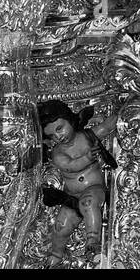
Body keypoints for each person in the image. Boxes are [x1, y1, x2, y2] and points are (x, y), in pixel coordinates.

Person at [38, 99, 117, 267]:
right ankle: (56, 254)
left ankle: (92, 241)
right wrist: (88, 157)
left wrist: (120, 114)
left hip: (94, 188)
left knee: (88, 203)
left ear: (71, 120)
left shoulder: (88, 136)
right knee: (61, 225)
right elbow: (71, 166)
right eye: (52, 135)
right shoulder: (57, 154)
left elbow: (106, 127)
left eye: (60, 128)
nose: (58, 136)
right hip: (72, 195)